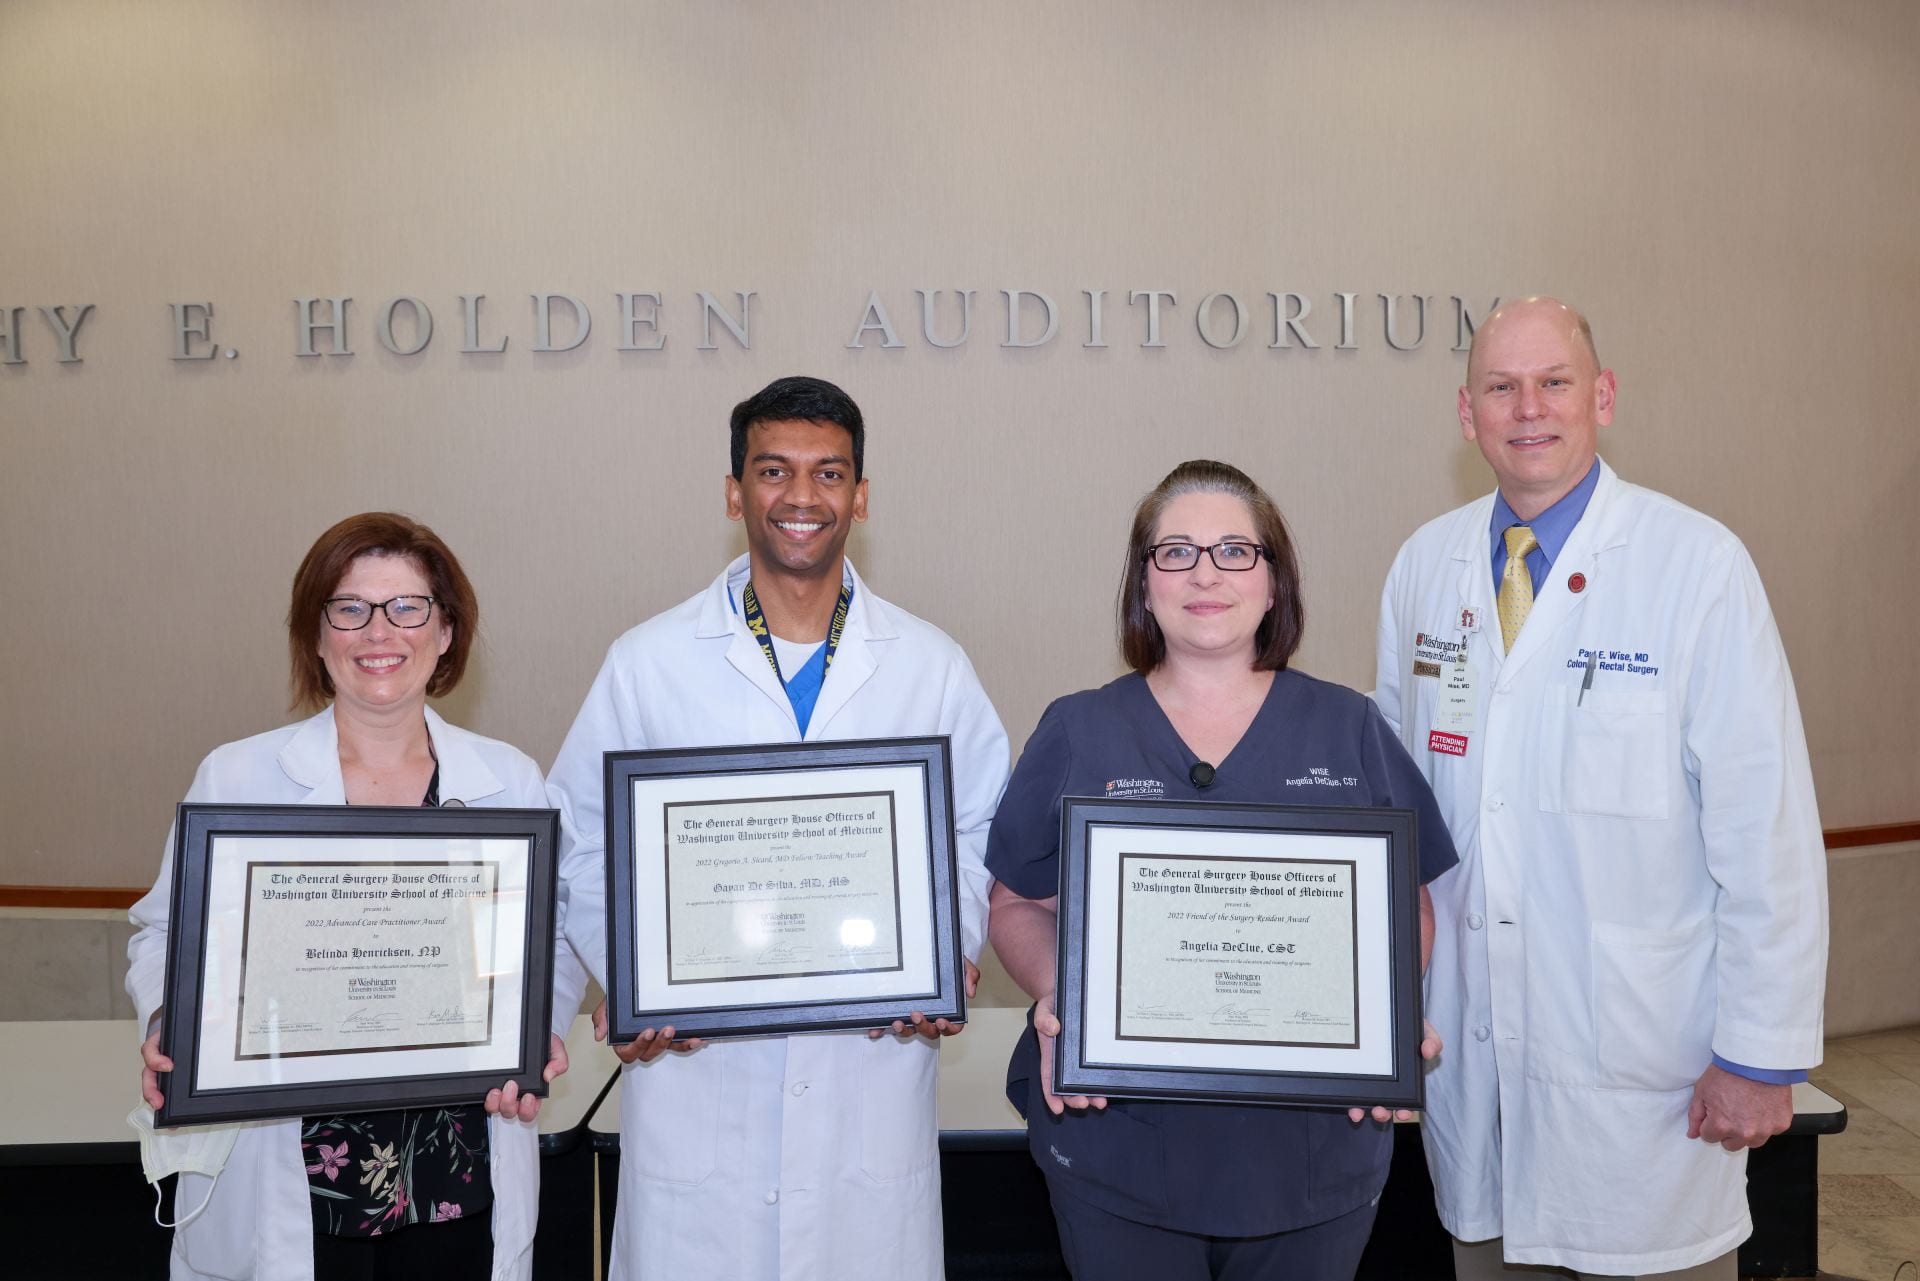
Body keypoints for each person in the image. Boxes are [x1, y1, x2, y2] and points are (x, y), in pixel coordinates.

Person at [1373, 297, 1828, 1280]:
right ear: (1467, 413)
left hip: (1647, 1070)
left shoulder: (1696, 566)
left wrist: (1759, 1053)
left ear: (1603, 397)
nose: (1527, 407)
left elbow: (1766, 827)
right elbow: (1394, 814)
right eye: (1501, 386)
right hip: (1477, 1059)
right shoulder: (1423, 571)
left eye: (1555, 382)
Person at [547, 375, 1010, 1280]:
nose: (802, 497)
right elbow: (586, 840)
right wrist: (637, 974)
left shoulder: (929, 664)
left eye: (829, 473)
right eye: (774, 471)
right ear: (734, 492)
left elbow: (976, 831)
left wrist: (945, 946)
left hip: (865, 1089)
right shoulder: (646, 663)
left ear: (860, 496)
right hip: (695, 1095)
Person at [986, 459, 1458, 1281]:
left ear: (1275, 583)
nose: (1206, 572)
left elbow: (1407, 905)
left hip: (1309, 1160)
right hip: (1117, 1146)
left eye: (1236, 550)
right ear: (1144, 584)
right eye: (1176, 552)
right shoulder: (1079, 728)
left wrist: (1389, 1011)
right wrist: (1066, 994)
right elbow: (1018, 901)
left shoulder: (1350, 727)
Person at [126, 512, 586, 1281]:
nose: (381, 631)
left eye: (408, 606)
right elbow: (162, 929)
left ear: (445, 632)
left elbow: (554, 933)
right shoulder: (238, 777)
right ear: (317, 632)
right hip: (294, 1172)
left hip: (458, 1169)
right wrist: (171, 1019)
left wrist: (535, 1029)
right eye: (350, 607)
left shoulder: (510, 781)